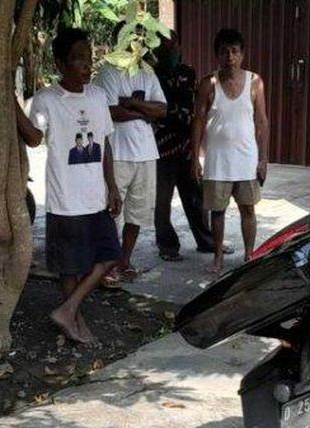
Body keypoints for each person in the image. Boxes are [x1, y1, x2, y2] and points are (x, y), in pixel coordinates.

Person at [16, 27, 123, 345]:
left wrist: (112, 186)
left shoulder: (98, 96)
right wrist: (8, 99)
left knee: (110, 255)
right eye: (78, 58)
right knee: (70, 268)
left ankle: (69, 310)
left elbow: (104, 142)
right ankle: (75, 319)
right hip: (65, 199)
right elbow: (34, 138)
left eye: (89, 57)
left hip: (95, 197)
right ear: (61, 64)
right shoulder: (47, 99)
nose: (87, 64)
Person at [192, 29, 269, 274]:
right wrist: (195, 158)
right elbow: (198, 120)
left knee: (248, 208)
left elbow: (262, 121)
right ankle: (217, 258)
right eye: (224, 52)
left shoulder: (255, 82)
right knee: (218, 211)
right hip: (217, 160)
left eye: (235, 51)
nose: (230, 57)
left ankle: (249, 255)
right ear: (217, 55)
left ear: (242, 54)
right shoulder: (208, 83)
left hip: (246, 159)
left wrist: (263, 159)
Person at [95, 21, 167, 282]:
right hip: (117, 153)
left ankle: (124, 261)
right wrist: (144, 112)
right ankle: (106, 266)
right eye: (130, 38)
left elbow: (162, 110)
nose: (136, 43)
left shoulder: (148, 72)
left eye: (140, 39)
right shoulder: (108, 71)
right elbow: (110, 111)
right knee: (112, 212)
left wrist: (133, 103)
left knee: (137, 213)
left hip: (146, 154)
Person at [152, 30, 232, 261]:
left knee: (196, 197)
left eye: (173, 46)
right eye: (164, 47)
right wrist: (171, 112)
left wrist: (170, 113)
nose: (169, 51)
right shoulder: (151, 75)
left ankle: (206, 241)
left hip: (187, 146)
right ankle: (167, 246)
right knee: (162, 201)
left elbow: (189, 109)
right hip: (160, 148)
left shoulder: (188, 72)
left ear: (179, 46)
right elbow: (159, 110)